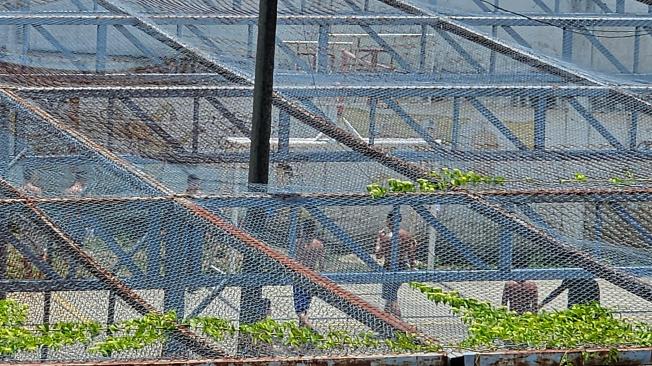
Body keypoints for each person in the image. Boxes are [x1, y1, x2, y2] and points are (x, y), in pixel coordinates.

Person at [375, 211, 417, 318]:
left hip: (390, 268)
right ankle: (387, 322)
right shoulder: (406, 235)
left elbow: (379, 255)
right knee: (391, 296)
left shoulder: (388, 237)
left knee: (392, 298)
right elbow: (411, 254)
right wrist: (413, 266)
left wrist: (379, 240)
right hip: (403, 266)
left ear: (389, 221)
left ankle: (398, 322)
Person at [293, 219, 325, 328]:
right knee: (305, 306)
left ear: (303, 229)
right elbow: (321, 264)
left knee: (299, 308)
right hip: (311, 275)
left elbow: (294, 259)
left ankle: (310, 327)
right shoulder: (319, 245)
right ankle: (302, 329)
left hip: (299, 276)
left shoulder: (298, 243)